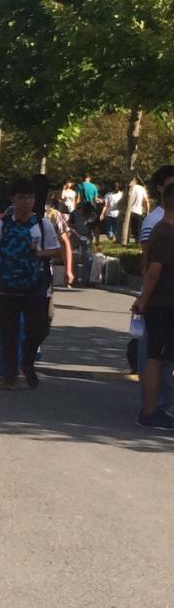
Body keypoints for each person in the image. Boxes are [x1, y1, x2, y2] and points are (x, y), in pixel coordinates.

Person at [0, 178, 62, 390]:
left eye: (30, 197)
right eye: (21, 197)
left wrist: (38, 254)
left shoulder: (42, 224)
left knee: (39, 329)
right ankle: (11, 374)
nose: (26, 202)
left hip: (36, 285)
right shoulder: (3, 224)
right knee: (8, 333)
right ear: (13, 198)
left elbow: (56, 251)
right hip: (8, 286)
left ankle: (27, 361)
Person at [131, 182, 174, 430]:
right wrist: (144, 299)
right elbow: (154, 271)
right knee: (156, 358)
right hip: (163, 304)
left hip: (163, 303)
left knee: (160, 357)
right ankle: (149, 412)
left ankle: (154, 409)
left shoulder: (164, 230)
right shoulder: (165, 232)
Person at [128, 176, 150, 240]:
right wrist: (147, 212)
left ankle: (127, 240)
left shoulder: (128, 188)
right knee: (137, 229)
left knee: (128, 228)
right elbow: (146, 201)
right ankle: (137, 241)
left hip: (128, 211)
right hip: (138, 212)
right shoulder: (142, 189)